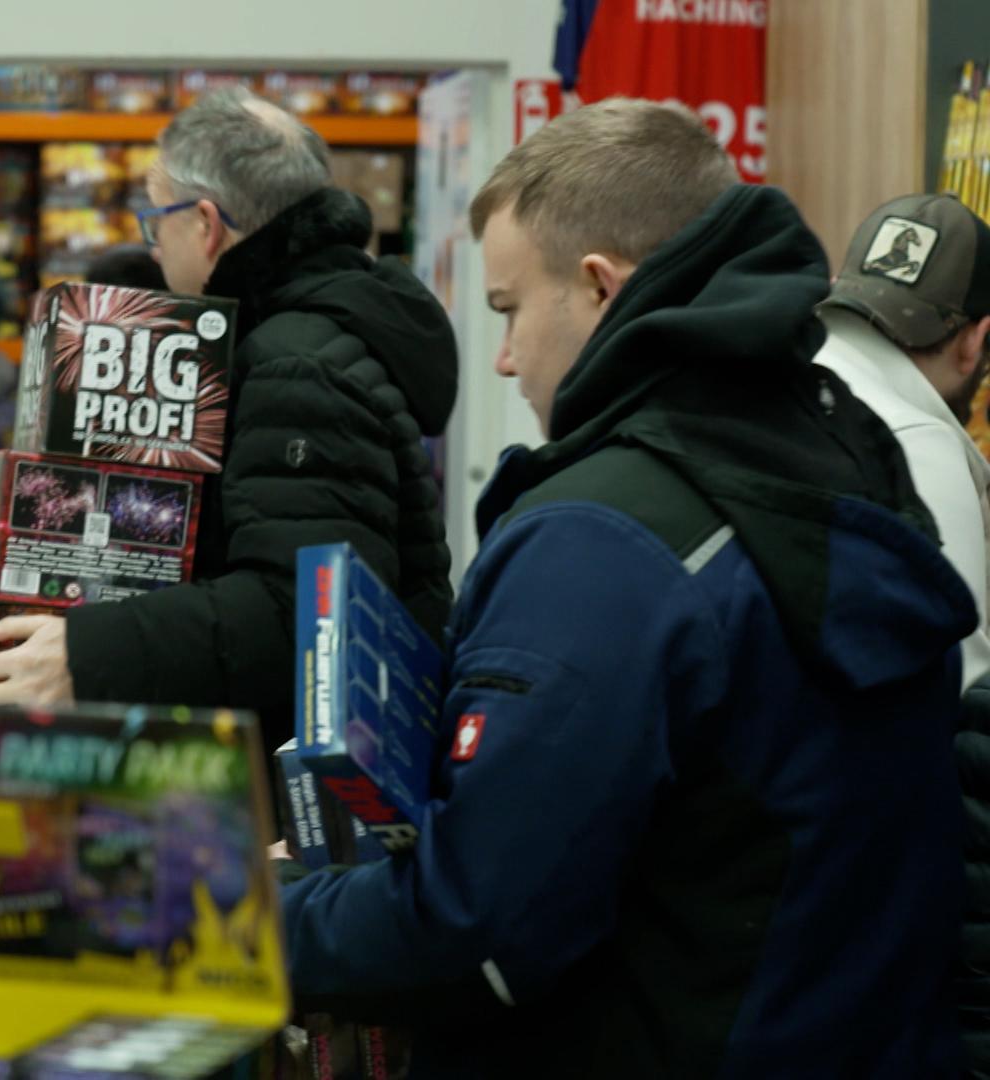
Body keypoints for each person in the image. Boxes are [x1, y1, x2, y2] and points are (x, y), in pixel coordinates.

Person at [279, 99, 974, 1076]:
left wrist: (249, 918)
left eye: (510, 308)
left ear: (600, 288)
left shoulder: (601, 539)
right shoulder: (835, 452)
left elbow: (479, 925)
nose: (508, 357)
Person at [0, 88, 459, 751]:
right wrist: (34, 642)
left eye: (153, 220)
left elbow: (304, 608)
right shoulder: (275, 339)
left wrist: (85, 653)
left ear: (204, 223)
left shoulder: (295, 362)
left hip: (297, 792)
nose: (152, 248)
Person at [813, 196, 990, 1078]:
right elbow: (965, 704)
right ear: (974, 340)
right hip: (891, 892)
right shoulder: (923, 442)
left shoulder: (798, 382)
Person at [814, 194, 990, 689]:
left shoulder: (774, 382)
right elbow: (960, 691)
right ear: (976, 341)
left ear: (839, 289)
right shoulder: (923, 449)